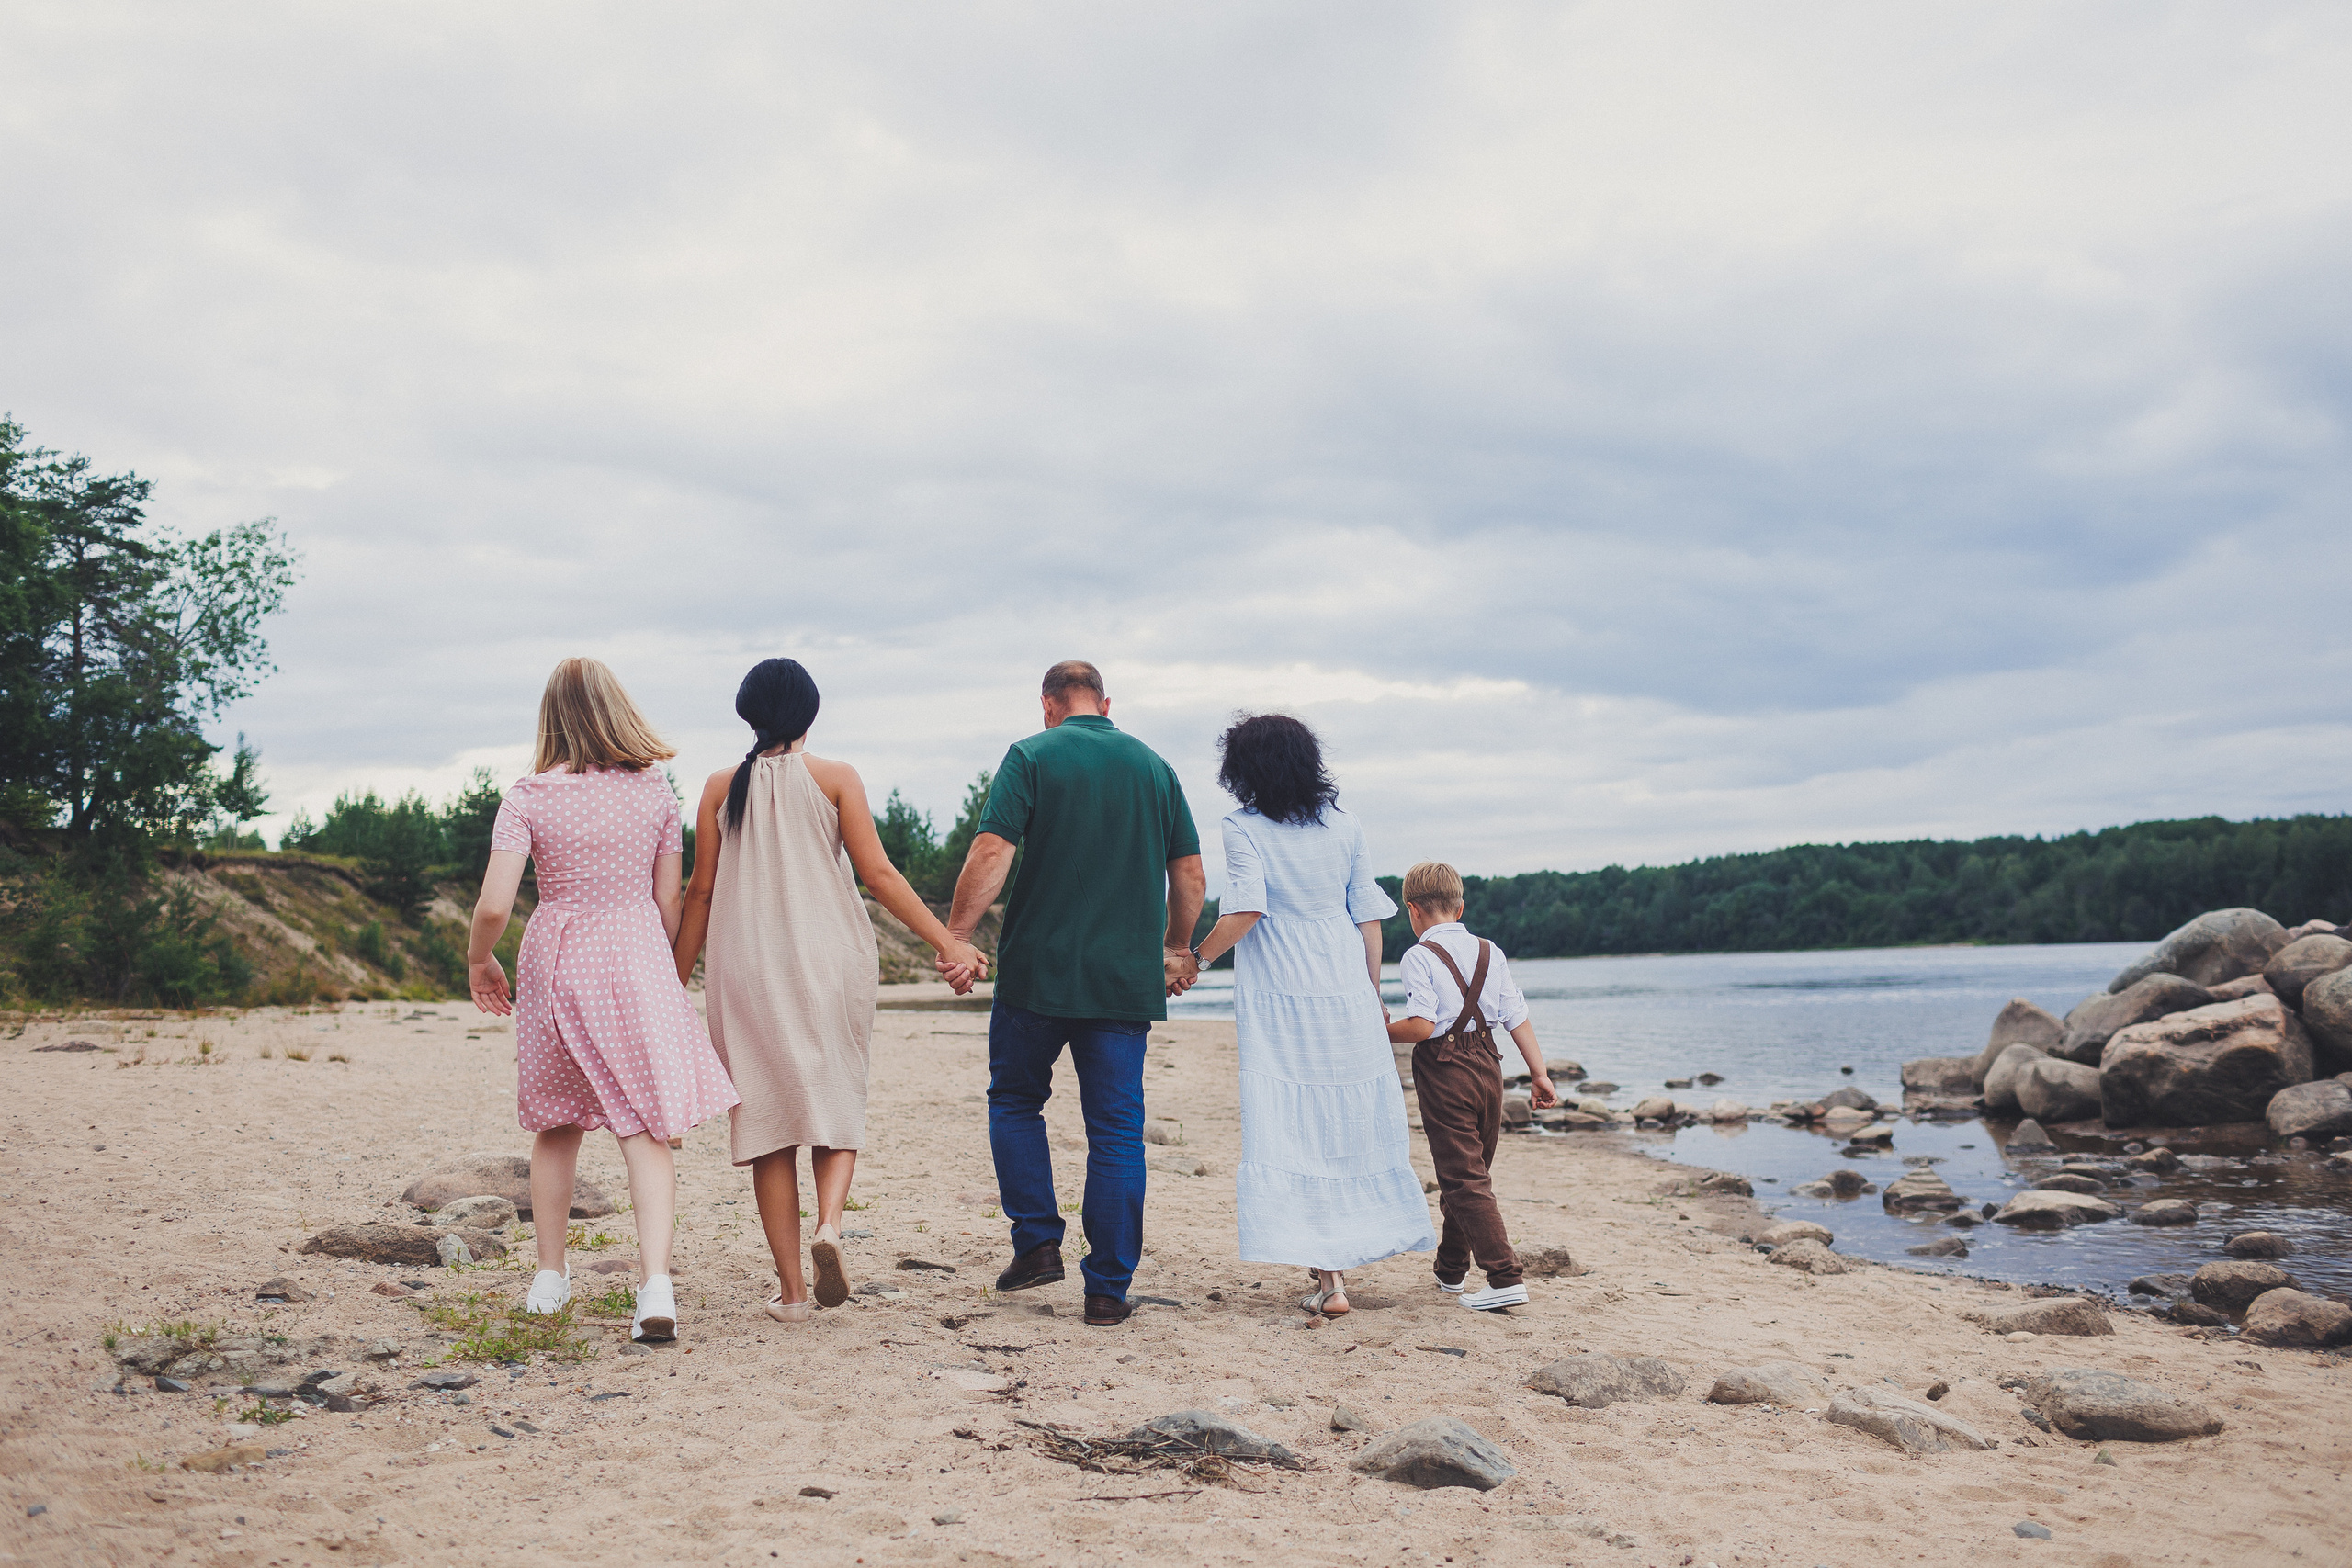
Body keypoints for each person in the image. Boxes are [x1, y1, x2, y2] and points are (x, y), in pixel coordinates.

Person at [671, 658, 987, 1323]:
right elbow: (880, 874)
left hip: (745, 969)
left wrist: (673, 983)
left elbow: (699, 892)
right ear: (810, 713)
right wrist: (948, 942)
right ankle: (831, 1226)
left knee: (769, 1123)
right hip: (830, 960)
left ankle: (791, 1294)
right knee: (836, 1096)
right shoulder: (836, 776)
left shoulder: (720, 786)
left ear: (748, 713)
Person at [467, 657, 740, 1343]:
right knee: (643, 1127)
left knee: (558, 1125)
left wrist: (478, 958)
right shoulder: (654, 789)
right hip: (634, 950)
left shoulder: (528, 795)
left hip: (557, 955)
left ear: (550, 718)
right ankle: (656, 1287)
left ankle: (549, 1279)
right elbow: (669, 898)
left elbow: (495, 905)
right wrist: (661, 969)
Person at [940, 660, 1204, 1327]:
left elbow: (993, 850)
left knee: (1015, 1101)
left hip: (1037, 972)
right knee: (1116, 1131)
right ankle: (1107, 1290)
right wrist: (1177, 948)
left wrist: (957, 936)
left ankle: (1036, 1244)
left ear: (1048, 706)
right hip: (1122, 980)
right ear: (1105, 704)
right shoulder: (1155, 767)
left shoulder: (1031, 754)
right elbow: (1190, 873)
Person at [1190, 714, 1432, 1317]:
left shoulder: (1242, 827)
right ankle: (1335, 1271)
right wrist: (1373, 991)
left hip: (1282, 986)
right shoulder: (1345, 825)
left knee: (1295, 1117)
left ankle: (1331, 1279)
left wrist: (1195, 959)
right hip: (1343, 980)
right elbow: (1368, 918)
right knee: (1345, 1118)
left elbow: (1247, 910)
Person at [1385, 861, 1557, 1311]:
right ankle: (1451, 1271)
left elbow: (1422, 1025)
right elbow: (1515, 1014)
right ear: (1459, 908)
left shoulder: (1418, 956)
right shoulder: (1489, 950)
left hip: (1445, 1069)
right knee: (1471, 1174)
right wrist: (1539, 1073)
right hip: (1489, 1064)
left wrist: (1378, 1029)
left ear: (1412, 910)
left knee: (1463, 1179)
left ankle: (1504, 1277)